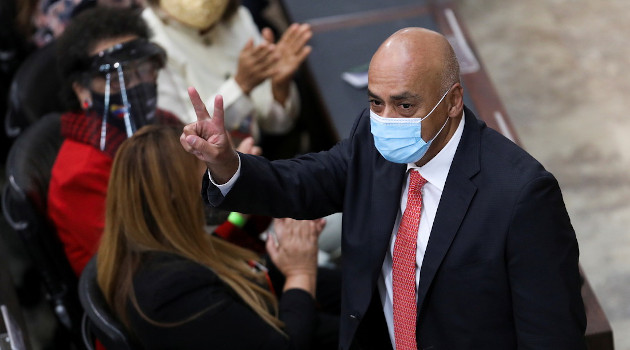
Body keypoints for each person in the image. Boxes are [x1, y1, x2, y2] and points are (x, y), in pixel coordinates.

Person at [181, 27, 587, 349]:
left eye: (404, 105)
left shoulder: (523, 196)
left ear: (452, 101)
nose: (387, 120)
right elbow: (303, 182)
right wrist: (228, 165)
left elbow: (550, 336)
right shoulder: (371, 140)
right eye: (376, 102)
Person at [97, 124, 334, 349]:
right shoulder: (171, 292)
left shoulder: (169, 244)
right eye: (207, 172)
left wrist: (249, 190)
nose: (216, 180)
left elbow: (233, 257)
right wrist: (301, 273)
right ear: (173, 193)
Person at [47, 7, 182, 276]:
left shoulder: (163, 122)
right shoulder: (80, 175)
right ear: (82, 90)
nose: (136, 85)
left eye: (143, 69)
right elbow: (144, 268)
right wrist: (233, 212)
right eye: (116, 79)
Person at [141, 0, 311, 145]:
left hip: (257, 157)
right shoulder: (148, 36)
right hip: (206, 177)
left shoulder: (237, 16)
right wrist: (240, 86)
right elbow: (184, 140)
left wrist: (279, 87)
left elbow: (276, 124)